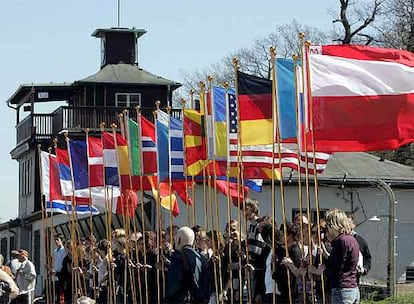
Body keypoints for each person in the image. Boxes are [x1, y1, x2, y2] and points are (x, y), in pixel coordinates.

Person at [309, 209, 360, 304]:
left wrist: (323, 269)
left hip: (342, 289)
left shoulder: (341, 242)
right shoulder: (351, 239)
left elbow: (337, 268)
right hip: (352, 287)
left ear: (333, 225)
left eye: (327, 226)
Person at [165, 226, 211, 304]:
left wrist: (168, 298)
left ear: (179, 239)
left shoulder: (178, 257)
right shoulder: (201, 258)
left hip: (181, 300)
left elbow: (174, 283)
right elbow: (206, 284)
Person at [243, 198, 266, 302]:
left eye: (246, 209)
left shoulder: (259, 225)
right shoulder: (250, 226)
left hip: (258, 267)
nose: (244, 212)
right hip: (250, 265)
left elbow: (259, 247)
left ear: (253, 209)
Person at [52, 234, 66, 304]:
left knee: (62, 293)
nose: (56, 241)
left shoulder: (64, 250)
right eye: (55, 240)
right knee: (57, 293)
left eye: (58, 240)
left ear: (61, 240)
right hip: (56, 274)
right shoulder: (55, 251)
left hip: (62, 274)